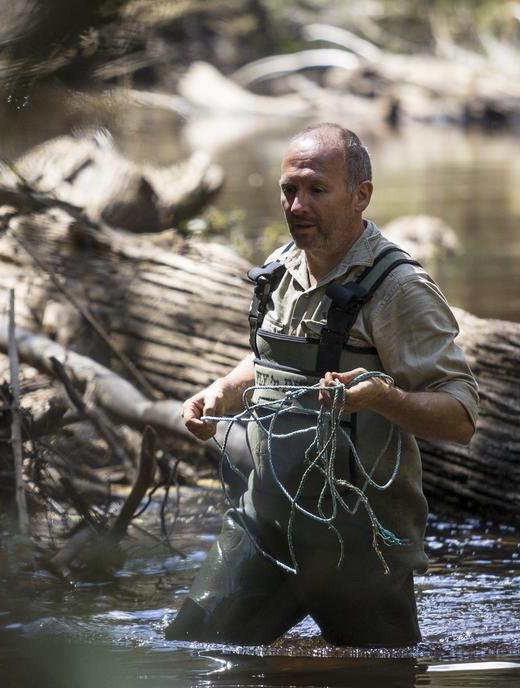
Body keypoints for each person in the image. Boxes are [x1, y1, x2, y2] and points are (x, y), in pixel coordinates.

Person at [164, 123, 478, 648]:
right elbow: (270, 361)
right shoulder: (280, 271)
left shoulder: (399, 289)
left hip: (360, 549)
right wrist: (219, 392)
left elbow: (462, 418)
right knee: (188, 658)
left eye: (315, 189)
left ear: (361, 196)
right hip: (263, 531)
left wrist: (383, 397)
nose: (297, 205)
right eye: (289, 190)